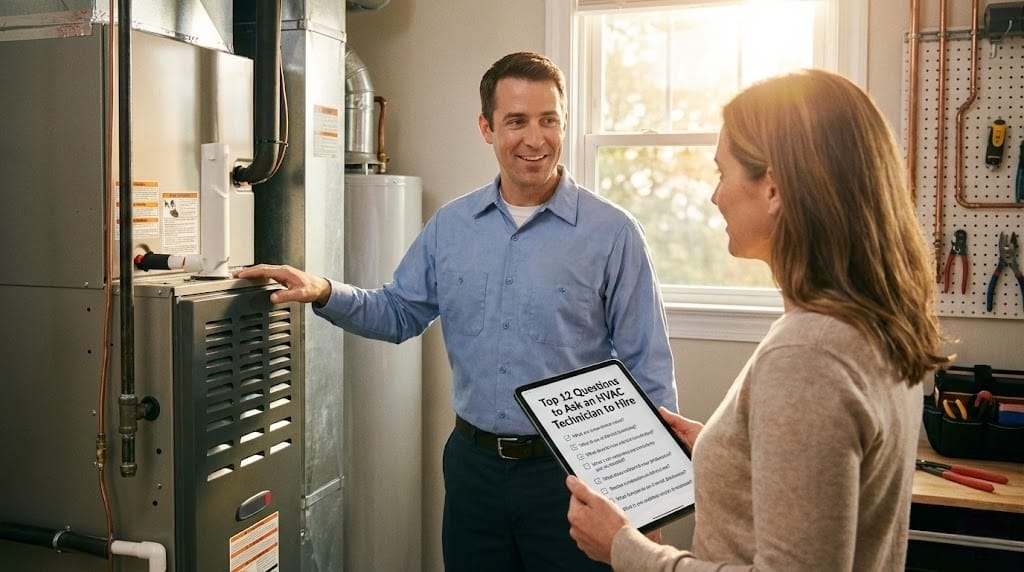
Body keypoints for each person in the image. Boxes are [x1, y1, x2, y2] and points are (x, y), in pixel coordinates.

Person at [234, 51, 677, 571]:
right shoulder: (453, 227)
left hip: (573, 477)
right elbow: (398, 313)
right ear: (486, 127)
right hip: (474, 472)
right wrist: (325, 290)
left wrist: (652, 502)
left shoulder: (613, 233)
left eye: (548, 120)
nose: (535, 139)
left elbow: (649, 371)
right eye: (516, 121)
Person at [564, 68, 952, 571]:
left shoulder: (808, 354)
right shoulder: (869, 322)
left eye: (722, 173)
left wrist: (625, 548)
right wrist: (730, 452)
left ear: (773, 188)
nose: (715, 195)